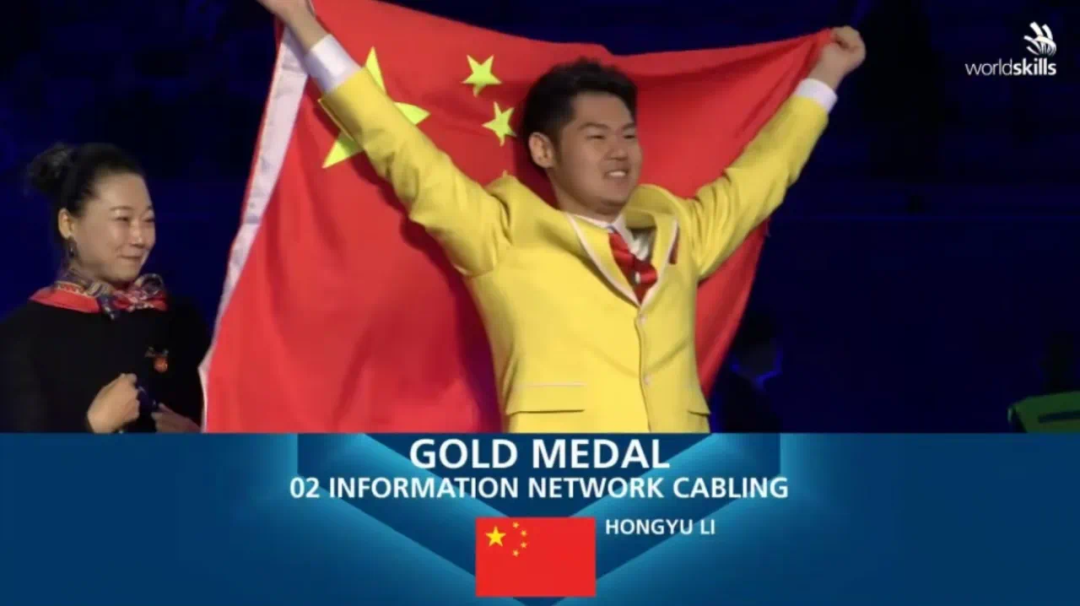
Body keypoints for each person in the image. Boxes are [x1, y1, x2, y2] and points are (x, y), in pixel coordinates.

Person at [256, 0, 866, 432]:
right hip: (554, 494)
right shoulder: (499, 233)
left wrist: (826, 77)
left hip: (674, 501)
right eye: (596, 137)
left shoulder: (681, 227)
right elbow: (398, 147)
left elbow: (765, 174)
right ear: (544, 151)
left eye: (628, 135)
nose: (620, 151)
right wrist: (304, 22)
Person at [0, 143, 207, 433]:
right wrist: (93, 427)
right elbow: (18, 460)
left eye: (148, 221)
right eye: (123, 219)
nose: (140, 238)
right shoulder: (22, 338)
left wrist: (200, 440)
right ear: (68, 224)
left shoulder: (180, 321)